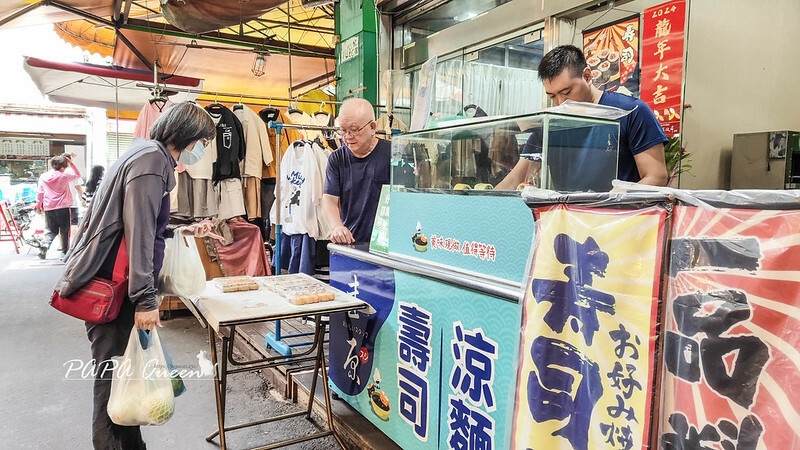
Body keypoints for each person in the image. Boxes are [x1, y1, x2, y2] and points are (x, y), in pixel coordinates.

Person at [53, 102, 215, 450]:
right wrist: (145, 299)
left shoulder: (143, 153)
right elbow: (139, 232)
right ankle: (110, 443)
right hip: (115, 288)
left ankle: (130, 443)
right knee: (112, 376)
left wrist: (181, 229)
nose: (203, 150)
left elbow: (140, 222)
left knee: (123, 372)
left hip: (114, 283)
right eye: (203, 141)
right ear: (188, 137)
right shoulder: (152, 162)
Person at [496, 45, 668, 190]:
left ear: (587, 76)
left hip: (618, 220)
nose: (560, 102)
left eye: (566, 92)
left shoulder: (632, 111)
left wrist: (613, 200)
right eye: (552, 96)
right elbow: (514, 180)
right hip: (567, 222)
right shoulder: (551, 123)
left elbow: (656, 177)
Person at [322, 98, 391, 244]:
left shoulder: (394, 154)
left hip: (387, 244)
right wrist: (337, 227)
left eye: (353, 130)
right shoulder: (337, 158)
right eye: (343, 131)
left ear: (372, 127)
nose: (347, 137)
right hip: (351, 242)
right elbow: (329, 199)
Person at [36, 153, 81, 258]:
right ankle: (64, 253)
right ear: (62, 167)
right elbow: (77, 175)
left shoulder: (44, 176)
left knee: (51, 230)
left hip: (48, 207)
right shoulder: (64, 176)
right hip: (63, 207)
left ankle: (45, 245)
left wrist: (39, 205)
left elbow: (40, 192)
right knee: (64, 231)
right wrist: (71, 164)